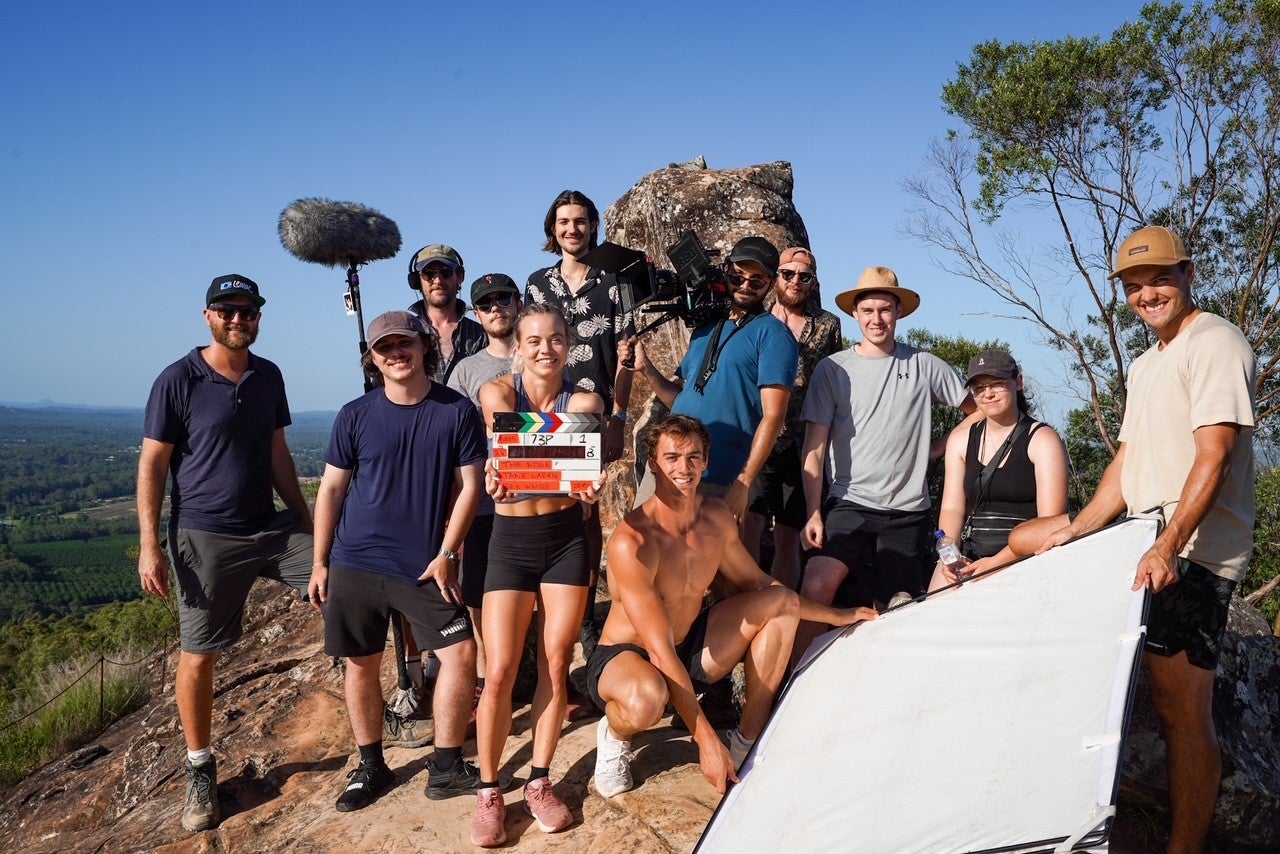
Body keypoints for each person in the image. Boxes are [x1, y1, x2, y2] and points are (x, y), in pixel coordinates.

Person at [1036, 226, 1255, 854]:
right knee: (1165, 702)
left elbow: (1214, 455)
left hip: (1195, 555)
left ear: (1187, 274)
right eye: (1133, 286)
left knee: (1186, 713)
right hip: (1153, 541)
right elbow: (1126, 464)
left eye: (1158, 279)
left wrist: (1171, 544)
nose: (1146, 294)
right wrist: (1078, 530)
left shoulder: (1215, 342)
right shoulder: (1146, 362)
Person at [588, 415, 876, 798]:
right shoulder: (634, 542)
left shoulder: (716, 518)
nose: (683, 468)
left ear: (706, 461)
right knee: (647, 699)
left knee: (778, 608)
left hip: (686, 644)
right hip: (628, 656)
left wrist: (841, 616)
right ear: (653, 464)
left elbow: (762, 586)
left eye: (693, 457)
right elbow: (657, 650)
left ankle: (746, 741)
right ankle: (615, 733)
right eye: (671, 457)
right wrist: (706, 741)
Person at [137, 274, 314, 832]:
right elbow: (153, 465)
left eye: (248, 310)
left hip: (270, 526)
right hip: (206, 535)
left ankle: (382, 713)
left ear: (259, 317)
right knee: (199, 654)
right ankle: (199, 767)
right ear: (208, 315)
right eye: (227, 310)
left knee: (351, 579)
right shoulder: (179, 379)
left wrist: (309, 521)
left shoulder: (268, 375)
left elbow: (278, 452)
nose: (238, 318)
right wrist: (149, 545)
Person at [309, 311, 485, 812]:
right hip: (354, 561)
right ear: (372, 357)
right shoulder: (355, 414)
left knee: (460, 655)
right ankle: (371, 765)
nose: (395, 354)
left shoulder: (456, 411)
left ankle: (446, 767)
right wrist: (321, 562)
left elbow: (471, 487)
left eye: (404, 343)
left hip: (424, 564)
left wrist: (449, 553)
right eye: (384, 347)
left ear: (424, 345)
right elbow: (333, 489)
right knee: (360, 665)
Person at [470, 303, 605, 848]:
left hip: (566, 539)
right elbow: (510, 439)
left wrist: (584, 483)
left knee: (555, 660)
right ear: (518, 346)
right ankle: (488, 790)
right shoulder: (498, 393)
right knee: (499, 670)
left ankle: (539, 779)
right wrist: (500, 468)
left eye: (555, 339)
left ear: (568, 345)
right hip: (511, 541)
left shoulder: (587, 399)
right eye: (533, 340)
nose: (545, 349)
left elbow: (570, 463)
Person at [794, 266, 975, 661]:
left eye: (886, 310)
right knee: (816, 588)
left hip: (908, 512)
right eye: (869, 311)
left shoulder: (924, 364)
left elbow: (978, 411)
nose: (877, 319)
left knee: (896, 608)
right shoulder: (833, 369)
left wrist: (939, 447)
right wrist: (813, 512)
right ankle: (790, 687)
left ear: (899, 313)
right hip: (849, 504)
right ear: (855, 315)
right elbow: (814, 446)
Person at [525, 190, 635, 659]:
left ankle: (585, 623)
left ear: (593, 226)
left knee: (586, 517)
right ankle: (549, 622)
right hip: (547, 414)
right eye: (564, 221)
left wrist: (619, 418)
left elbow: (627, 357)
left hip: (594, 414)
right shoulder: (537, 283)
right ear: (552, 228)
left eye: (581, 221)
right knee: (544, 512)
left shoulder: (615, 280)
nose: (573, 229)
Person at [626, 236, 798, 521]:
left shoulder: (774, 335)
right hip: (665, 467)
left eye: (756, 281)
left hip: (718, 477)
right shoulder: (705, 327)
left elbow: (774, 416)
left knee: (701, 564)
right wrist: (646, 368)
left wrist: (744, 482)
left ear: (771, 284)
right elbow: (679, 399)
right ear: (726, 269)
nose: (744, 286)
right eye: (737, 276)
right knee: (638, 547)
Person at [927, 350, 1068, 592]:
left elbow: (1049, 521)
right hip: (968, 555)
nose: (988, 394)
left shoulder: (1043, 440)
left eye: (997, 384)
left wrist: (995, 564)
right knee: (930, 613)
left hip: (1024, 554)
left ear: (1018, 382)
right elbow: (952, 507)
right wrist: (949, 556)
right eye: (979, 388)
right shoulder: (961, 440)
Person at [743, 247, 843, 589]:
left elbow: (832, 382)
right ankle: (745, 603)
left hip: (803, 443)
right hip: (758, 436)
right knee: (750, 522)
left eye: (805, 276)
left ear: (814, 282)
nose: (795, 281)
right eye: (788, 274)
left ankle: (783, 607)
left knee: (789, 533)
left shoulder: (828, 325)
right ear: (776, 278)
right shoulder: (754, 320)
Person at [448, 273, 524, 701]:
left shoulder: (544, 357)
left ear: (518, 303)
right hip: (481, 503)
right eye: (487, 303)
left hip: (539, 499)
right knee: (478, 591)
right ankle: (483, 684)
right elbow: (452, 440)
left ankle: (545, 679)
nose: (497, 308)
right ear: (477, 314)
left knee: (537, 590)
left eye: (504, 299)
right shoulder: (466, 370)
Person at [407, 243, 486, 385]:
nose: (437, 280)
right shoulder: (406, 334)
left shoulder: (482, 334)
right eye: (429, 273)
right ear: (416, 281)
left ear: (459, 277)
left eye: (446, 272)